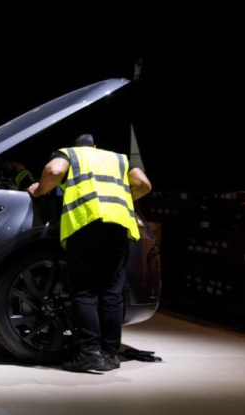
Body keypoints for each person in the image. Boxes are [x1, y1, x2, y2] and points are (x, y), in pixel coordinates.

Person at [26, 133, 152, 372]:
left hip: (86, 223)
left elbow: (53, 171)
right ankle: (110, 355)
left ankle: (89, 353)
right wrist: (123, 198)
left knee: (85, 291)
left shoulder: (71, 154)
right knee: (112, 292)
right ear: (96, 146)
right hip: (119, 225)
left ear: (77, 146)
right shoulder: (119, 159)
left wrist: (40, 189)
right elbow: (144, 185)